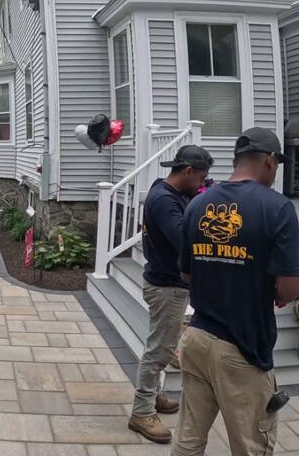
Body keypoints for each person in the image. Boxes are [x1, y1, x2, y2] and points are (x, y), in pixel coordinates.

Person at [173, 127, 299, 455]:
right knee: (250, 445)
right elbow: (289, 288)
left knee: (188, 438)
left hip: (197, 338)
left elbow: (186, 273)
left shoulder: (198, 204)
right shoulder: (278, 208)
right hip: (242, 348)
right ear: (269, 161)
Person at [128, 144, 212, 444]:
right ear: (187, 171)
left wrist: (199, 194)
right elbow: (184, 241)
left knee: (161, 346)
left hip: (166, 284)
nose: (203, 183)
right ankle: (141, 412)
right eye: (201, 177)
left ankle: (155, 395)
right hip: (167, 287)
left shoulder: (165, 190)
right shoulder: (165, 201)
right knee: (159, 350)